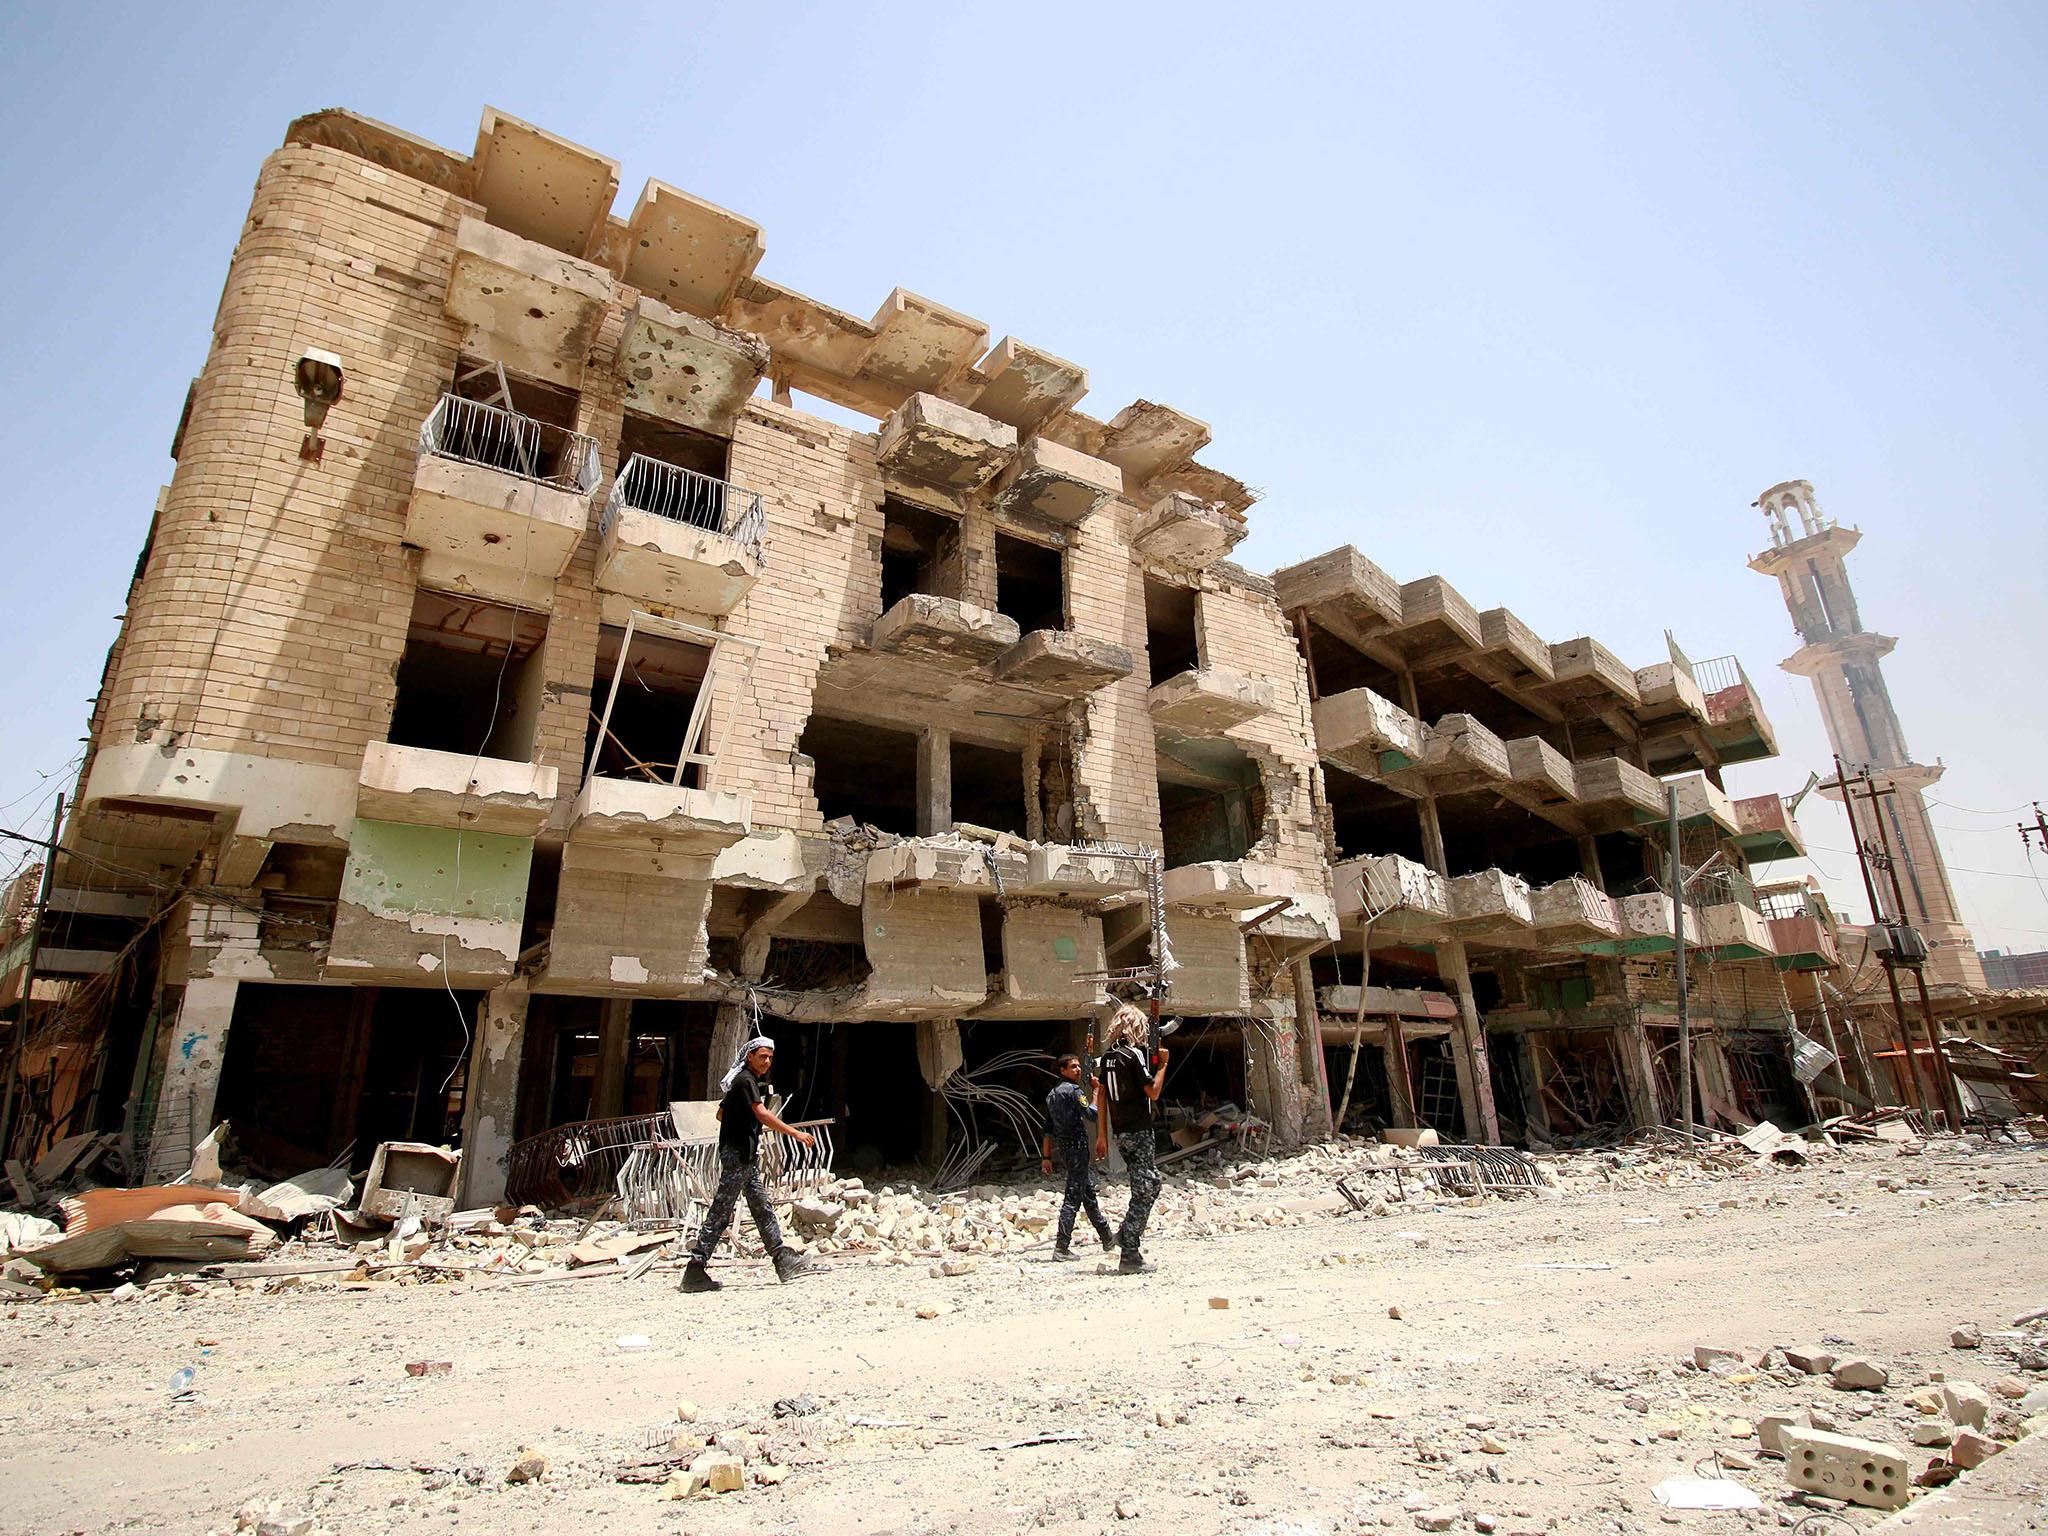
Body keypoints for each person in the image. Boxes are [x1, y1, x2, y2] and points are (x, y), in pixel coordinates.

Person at [680, 1035, 817, 1293]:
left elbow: (721, 1113)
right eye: (762, 1056)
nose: (766, 1061)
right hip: (739, 1155)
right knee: (721, 1210)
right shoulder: (745, 1081)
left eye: (770, 1058)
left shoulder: (742, 1082)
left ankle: (782, 1259)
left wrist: (739, 1124)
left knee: (762, 1207)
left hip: (744, 1155)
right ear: (750, 1056)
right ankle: (695, 1268)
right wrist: (795, 1133)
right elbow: (761, 1113)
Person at [1094, 1008, 1169, 1275]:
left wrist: (1102, 1134)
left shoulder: (1109, 1058)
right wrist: (1163, 1066)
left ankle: (1126, 1234)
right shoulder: (1133, 1055)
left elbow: (1101, 1095)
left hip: (1121, 1133)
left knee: (1150, 1184)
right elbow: (1154, 1092)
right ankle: (1129, 1251)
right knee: (1146, 1188)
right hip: (1138, 1131)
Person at [1041, 1053, 1114, 1260]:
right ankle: (1061, 1247)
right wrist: (1097, 1092)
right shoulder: (1074, 1091)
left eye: (1078, 1066)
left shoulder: (1052, 1095)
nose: (1078, 1070)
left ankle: (1107, 1237)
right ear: (1063, 1070)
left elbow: (1047, 1129)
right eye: (1073, 1067)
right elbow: (1092, 1114)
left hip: (1065, 1149)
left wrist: (1046, 1157)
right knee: (1073, 1197)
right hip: (1077, 1148)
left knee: (1087, 1194)